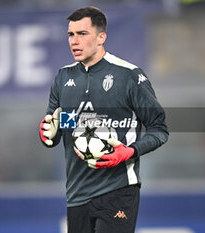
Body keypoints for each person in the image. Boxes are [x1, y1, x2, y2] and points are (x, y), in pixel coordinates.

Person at [39, 6, 169, 233]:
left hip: (118, 190)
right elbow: (59, 126)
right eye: (70, 34)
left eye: (82, 34)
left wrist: (129, 151)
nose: (74, 41)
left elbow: (159, 129)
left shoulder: (129, 75)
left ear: (101, 37)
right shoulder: (63, 77)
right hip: (77, 194)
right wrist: (49, 134)